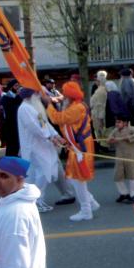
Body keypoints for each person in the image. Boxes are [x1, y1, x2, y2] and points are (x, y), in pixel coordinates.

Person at [43, 81, 99, 221]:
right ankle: (90, 203)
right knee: (75, 178)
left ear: (69, 96)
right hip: (78, 145)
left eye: (65, 94)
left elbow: (57, 119)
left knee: (77, 178)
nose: (63, 96)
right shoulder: (78, 105)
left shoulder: (76, 108)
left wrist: (48, 104)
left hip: (80, 147)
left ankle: (86, 210)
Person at [17, 88, 65, 213]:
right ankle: (36, 201)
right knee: (43, 172)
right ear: (30, 96)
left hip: (41, 145)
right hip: (34, 147)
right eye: (36, 94)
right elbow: (33, 127)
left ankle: (34, 200)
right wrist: (49, 137)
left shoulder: (31, 107)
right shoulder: (25, 108)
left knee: (38, 173)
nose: (39, 97)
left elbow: (44, 124)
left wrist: (56, 136)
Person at [107, 114, 134, 203]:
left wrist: (129, 138)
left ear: (125, 123)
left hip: (131, 156)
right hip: (119, 156)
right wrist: (111, 140)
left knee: (132, 175)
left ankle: (133, 195)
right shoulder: (115, 131)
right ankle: (124, 193)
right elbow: (108, 139)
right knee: (117, 176)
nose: (117, 124)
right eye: (116, 122)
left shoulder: (131, 129)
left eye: (119, 122)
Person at [1, 80, 22, 157]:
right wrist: (18, 96)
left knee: (18, 145)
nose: (18, 88)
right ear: (10, 88)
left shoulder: (19, 97)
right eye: (16, 86)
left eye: (18, 86)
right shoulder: (5, 97)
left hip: (18, 123)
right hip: (10, 125)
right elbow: (11, 110)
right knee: (11, 146)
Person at [90, 70, 108, 139]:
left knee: (100, 131)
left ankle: (103, 146)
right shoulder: (102, 89)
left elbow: (101, 106)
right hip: (97, 114)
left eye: (97, 80)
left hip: (98, 115)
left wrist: (101, 118)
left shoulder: (101, 90)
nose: (95, 81)